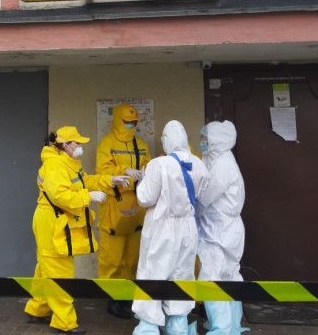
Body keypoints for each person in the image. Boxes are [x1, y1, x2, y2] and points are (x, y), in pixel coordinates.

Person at [24, 126, 131, 334]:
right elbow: (60, 196)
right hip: (52, 220)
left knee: (46, 266)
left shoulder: (68, 163)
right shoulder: (55, 165)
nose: (80, 146)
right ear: (65, 145)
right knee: (59, 270)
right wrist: (87, 197)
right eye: (77, 143)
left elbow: (85, 181)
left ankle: (37, 309)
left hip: (53, 219)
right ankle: (64, 323)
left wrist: (110, 180)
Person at [132, 120, 208, 335]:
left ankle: (148, 327)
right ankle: (178, 325)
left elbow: (145, 198)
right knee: (182, 274)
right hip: (187, 227)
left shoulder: (159, 164)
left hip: (161, 227)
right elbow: (200, 194)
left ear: (166, 140)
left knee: (153, 273)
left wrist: (142, 181)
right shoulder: (198, 163)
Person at [95, 103, 151, 319]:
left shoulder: (141, 144)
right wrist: (124, 170)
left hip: (136, 208)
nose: (131, 125)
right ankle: (112, 299)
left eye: (134, 122)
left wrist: (145, 174)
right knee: (111, 260)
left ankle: (126, 296)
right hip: (113, 208)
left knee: (132, 259)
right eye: (127, 121)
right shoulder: (107, 143)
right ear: (118, 120)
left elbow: (150, 167)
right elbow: (102, 170)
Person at [196, 121, 247, 334]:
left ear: (216, 140)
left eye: (205, 138)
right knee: (229, 276)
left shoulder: (223, 163)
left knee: (212, 277)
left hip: (219, 230)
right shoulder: (217, 159)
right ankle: (231, 325)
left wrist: (191, 213)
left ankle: (222, 329)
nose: (202, 141)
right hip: (222, 228)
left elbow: (206, 197)